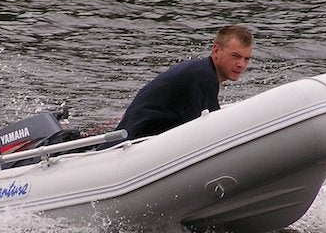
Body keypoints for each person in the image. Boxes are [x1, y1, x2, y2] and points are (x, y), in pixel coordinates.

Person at [105, 24, 252, 146]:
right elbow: (211, 132)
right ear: (216, 51)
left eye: (246, 59)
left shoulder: (202, 71)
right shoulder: (202, 76)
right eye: (235, 56)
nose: (241, 64)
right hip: (129, 145)